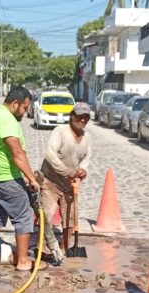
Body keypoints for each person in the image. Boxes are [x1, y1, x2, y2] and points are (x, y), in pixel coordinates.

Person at [0, 86, 46, 271]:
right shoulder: (7, 119)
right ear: (15, 103)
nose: (25, 113)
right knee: (23, 215)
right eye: (24, 108)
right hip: (7, 178)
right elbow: (17, 152)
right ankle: (23, 261)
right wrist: (31, 178)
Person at [39, 102, 93, 255]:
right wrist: (66, 171)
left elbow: (86, 157)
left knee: (70, 218)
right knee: (47, 216)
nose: (82, 120)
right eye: (79, 116)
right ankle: (43, 248)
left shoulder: (87, 137)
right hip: (51, 181)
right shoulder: (60, 131)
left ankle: (65, 247)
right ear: (72, 116)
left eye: (85, 117)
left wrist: (83, 169)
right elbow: (50, 155)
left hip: (70, 184)